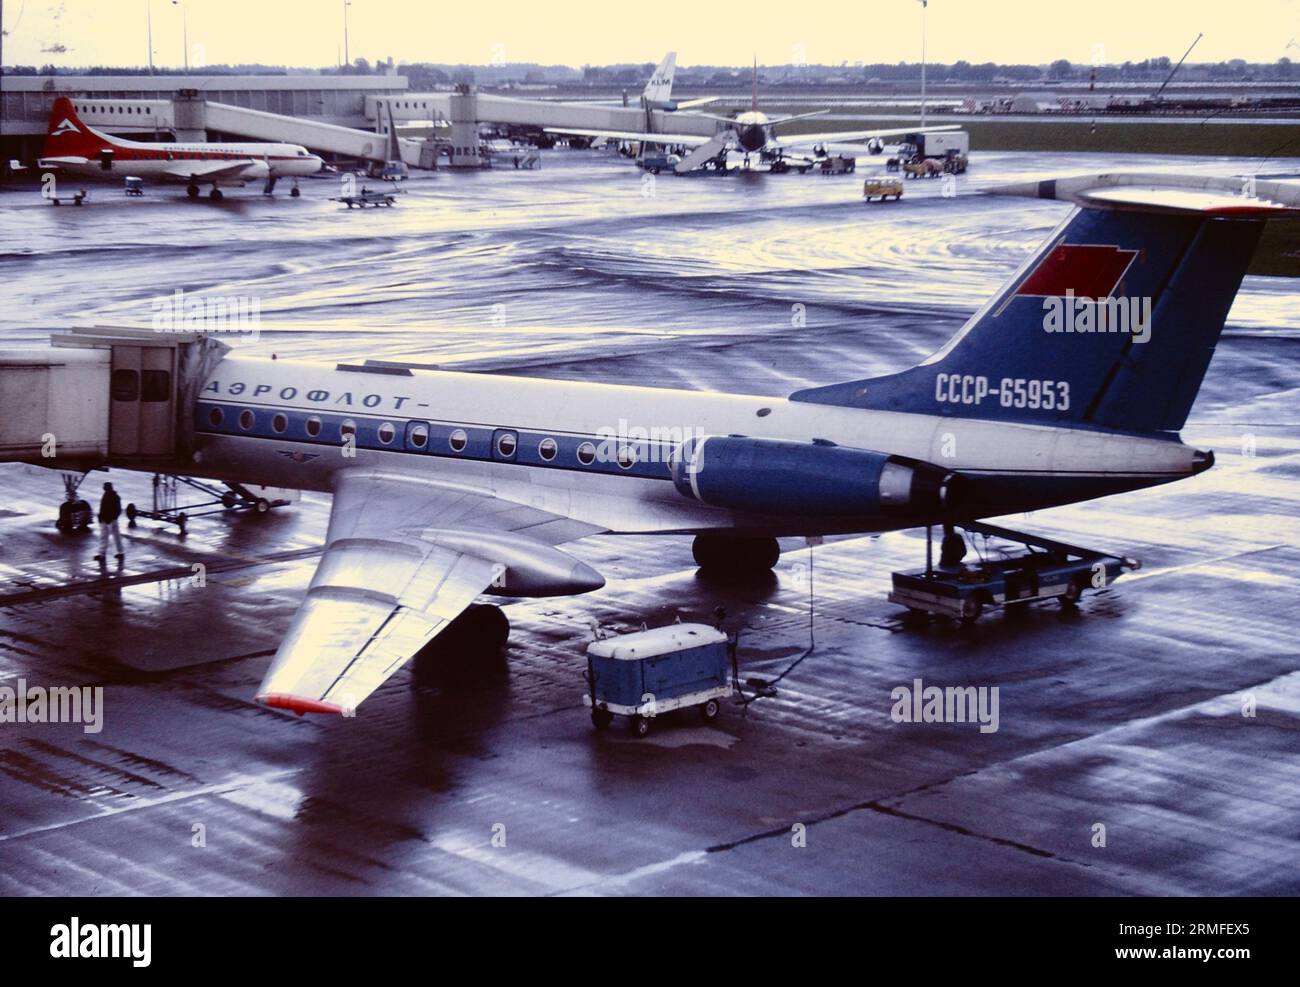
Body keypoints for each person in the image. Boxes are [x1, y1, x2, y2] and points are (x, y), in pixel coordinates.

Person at [94, 482, 124, 562]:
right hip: (110, 520)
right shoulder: (114, 496)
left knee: (104, 537)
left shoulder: (107, 496)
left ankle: (102, 554)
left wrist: (104, 518)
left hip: (108, 520)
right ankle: (120, 552)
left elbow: (105, 508)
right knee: (115, 536)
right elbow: (118, 510)